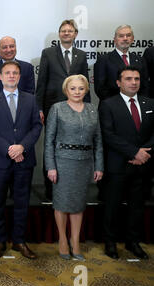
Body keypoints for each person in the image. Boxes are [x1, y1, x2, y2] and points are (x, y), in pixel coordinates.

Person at [0, 61, 42, 260]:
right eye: (7, 73)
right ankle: (0, 241)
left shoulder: (31, 100)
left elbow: (36, 127)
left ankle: (19, 241)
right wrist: (9, 150)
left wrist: (22, 147)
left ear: (20, 76)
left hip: (24, 161)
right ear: (0, 77)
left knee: (22, 203)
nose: (11, 76)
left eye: (15, 73)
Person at [44, 75, 103, 261]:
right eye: (73, 88)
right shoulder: (57, 109)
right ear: (66, 90)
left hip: (85, 163)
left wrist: (99, 166)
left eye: (81, 88)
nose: (77, 92)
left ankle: (75, 241)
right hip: (62, 163)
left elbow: (99, 141)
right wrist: (50, 166)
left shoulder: (93, 110)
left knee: (78, 205)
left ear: (86, 90)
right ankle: (62, 239)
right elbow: (49, 141)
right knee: (61, 204)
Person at [99, 66, 154, 260]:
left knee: (136, 207)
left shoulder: (150, 103)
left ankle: (133, 242)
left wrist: (144, 153)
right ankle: (110, 243)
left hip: (143, 165)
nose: (133, 82)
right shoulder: (108, 104)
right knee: (112, 206)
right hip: (118, 165)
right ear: (118, 83)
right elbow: (108, 134)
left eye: (137, 79)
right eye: (129, 78)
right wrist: (133, 152)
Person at [36, 19, 90, 200]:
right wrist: (39, 108)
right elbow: (41, 82)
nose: (66, 33)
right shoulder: (48, 53)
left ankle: (71, 186)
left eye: (70, 31)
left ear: (75, 34)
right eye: (63, 30)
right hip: (52, 107)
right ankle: (50, 190)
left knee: (72, 146)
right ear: (59, 34)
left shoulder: (81, 55)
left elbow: (85, 84)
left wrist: (88, 109)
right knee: (51, 145)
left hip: (76, 108)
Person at [94, 25, 149, 101]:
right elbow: (100, 89)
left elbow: (145, 86)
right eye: (121, 36)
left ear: (132, 39)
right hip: (112, 106)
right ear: (115, 40)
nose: (125, 38)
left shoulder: (140, 60)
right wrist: (121, 104)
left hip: (136, 105)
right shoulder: (103, 60)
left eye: (128, 35)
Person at [0, 36, 35, 102]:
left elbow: (30, 92)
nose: (9, 50)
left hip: (23, 110)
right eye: (4, 47)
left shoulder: (27, 68)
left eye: (11, 46)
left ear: (16, 47)